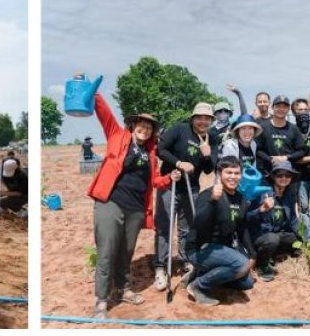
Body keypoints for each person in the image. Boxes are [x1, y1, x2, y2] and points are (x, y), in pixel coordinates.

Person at [86, 90, 179, 319]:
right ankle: (101, 300)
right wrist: (94, 91)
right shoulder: (117, 135)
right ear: (133, 125)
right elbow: (104, 112)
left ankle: (122, 289)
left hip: (136, 209)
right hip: (111, 202)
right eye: (141, 125)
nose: (144, 129)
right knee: (107, 251)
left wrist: (170, 178)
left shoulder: (150, 153)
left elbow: (154, 181)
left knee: (126, 252)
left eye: (149, 127)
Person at [154, 102, 216, 290]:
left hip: (192, 188)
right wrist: (179, 163)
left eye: (207, 118)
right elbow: (160, 150)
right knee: (165, 227)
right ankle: (160, 266)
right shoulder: (179, 129)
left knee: (187, 227)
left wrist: (206, 155)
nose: (203, 121)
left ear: (211, 121)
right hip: (170, 184)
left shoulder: (211, 137)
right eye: (199, 117)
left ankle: (185, 261)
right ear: (193, 118)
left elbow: (208, 170)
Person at [183, 156, 254, 306]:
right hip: (200, 248)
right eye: (229, 173)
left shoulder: (240, 198)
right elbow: (198, 223)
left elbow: (242, 228)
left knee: (247, 282)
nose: (233, 177)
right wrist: (213, 201)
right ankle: (198, 286)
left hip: (222, 249)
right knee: (241, 264)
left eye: (236, 173)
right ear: (219, 174)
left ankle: (202, 273)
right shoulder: (208, 194)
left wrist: (253, 254)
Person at [243, 161, 302, 281]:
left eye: (287, 175)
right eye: (280, 175)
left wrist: (305, 238)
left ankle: (272, 254)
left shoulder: (289, 195)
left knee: (296, 239)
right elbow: (247, 219)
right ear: (273, 177)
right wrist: (261, 210)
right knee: (272, 239)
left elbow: (293, 220)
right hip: (260, 235)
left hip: (278, 233)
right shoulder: (262, 193)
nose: (284, 178)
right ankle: (262, 265)